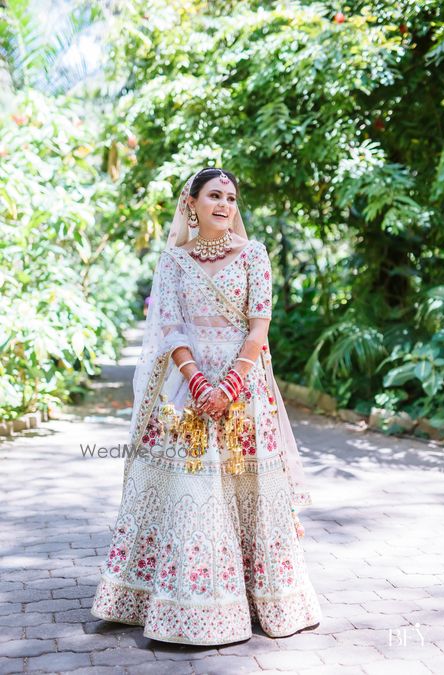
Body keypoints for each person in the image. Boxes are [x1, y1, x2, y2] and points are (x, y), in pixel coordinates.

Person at [90, 167, 322, 645]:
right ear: (190, 202)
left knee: (247, 488)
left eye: (231, 197)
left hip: (244, 390)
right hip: (186, 391)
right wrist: (197, 382)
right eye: (214, 195)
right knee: (190, 491)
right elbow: (171, 327)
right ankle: (183, 604)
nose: (224, 205)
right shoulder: (174, 261)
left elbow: (260, 325)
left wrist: (231, 382)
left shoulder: (254, 255)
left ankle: (263, 600)